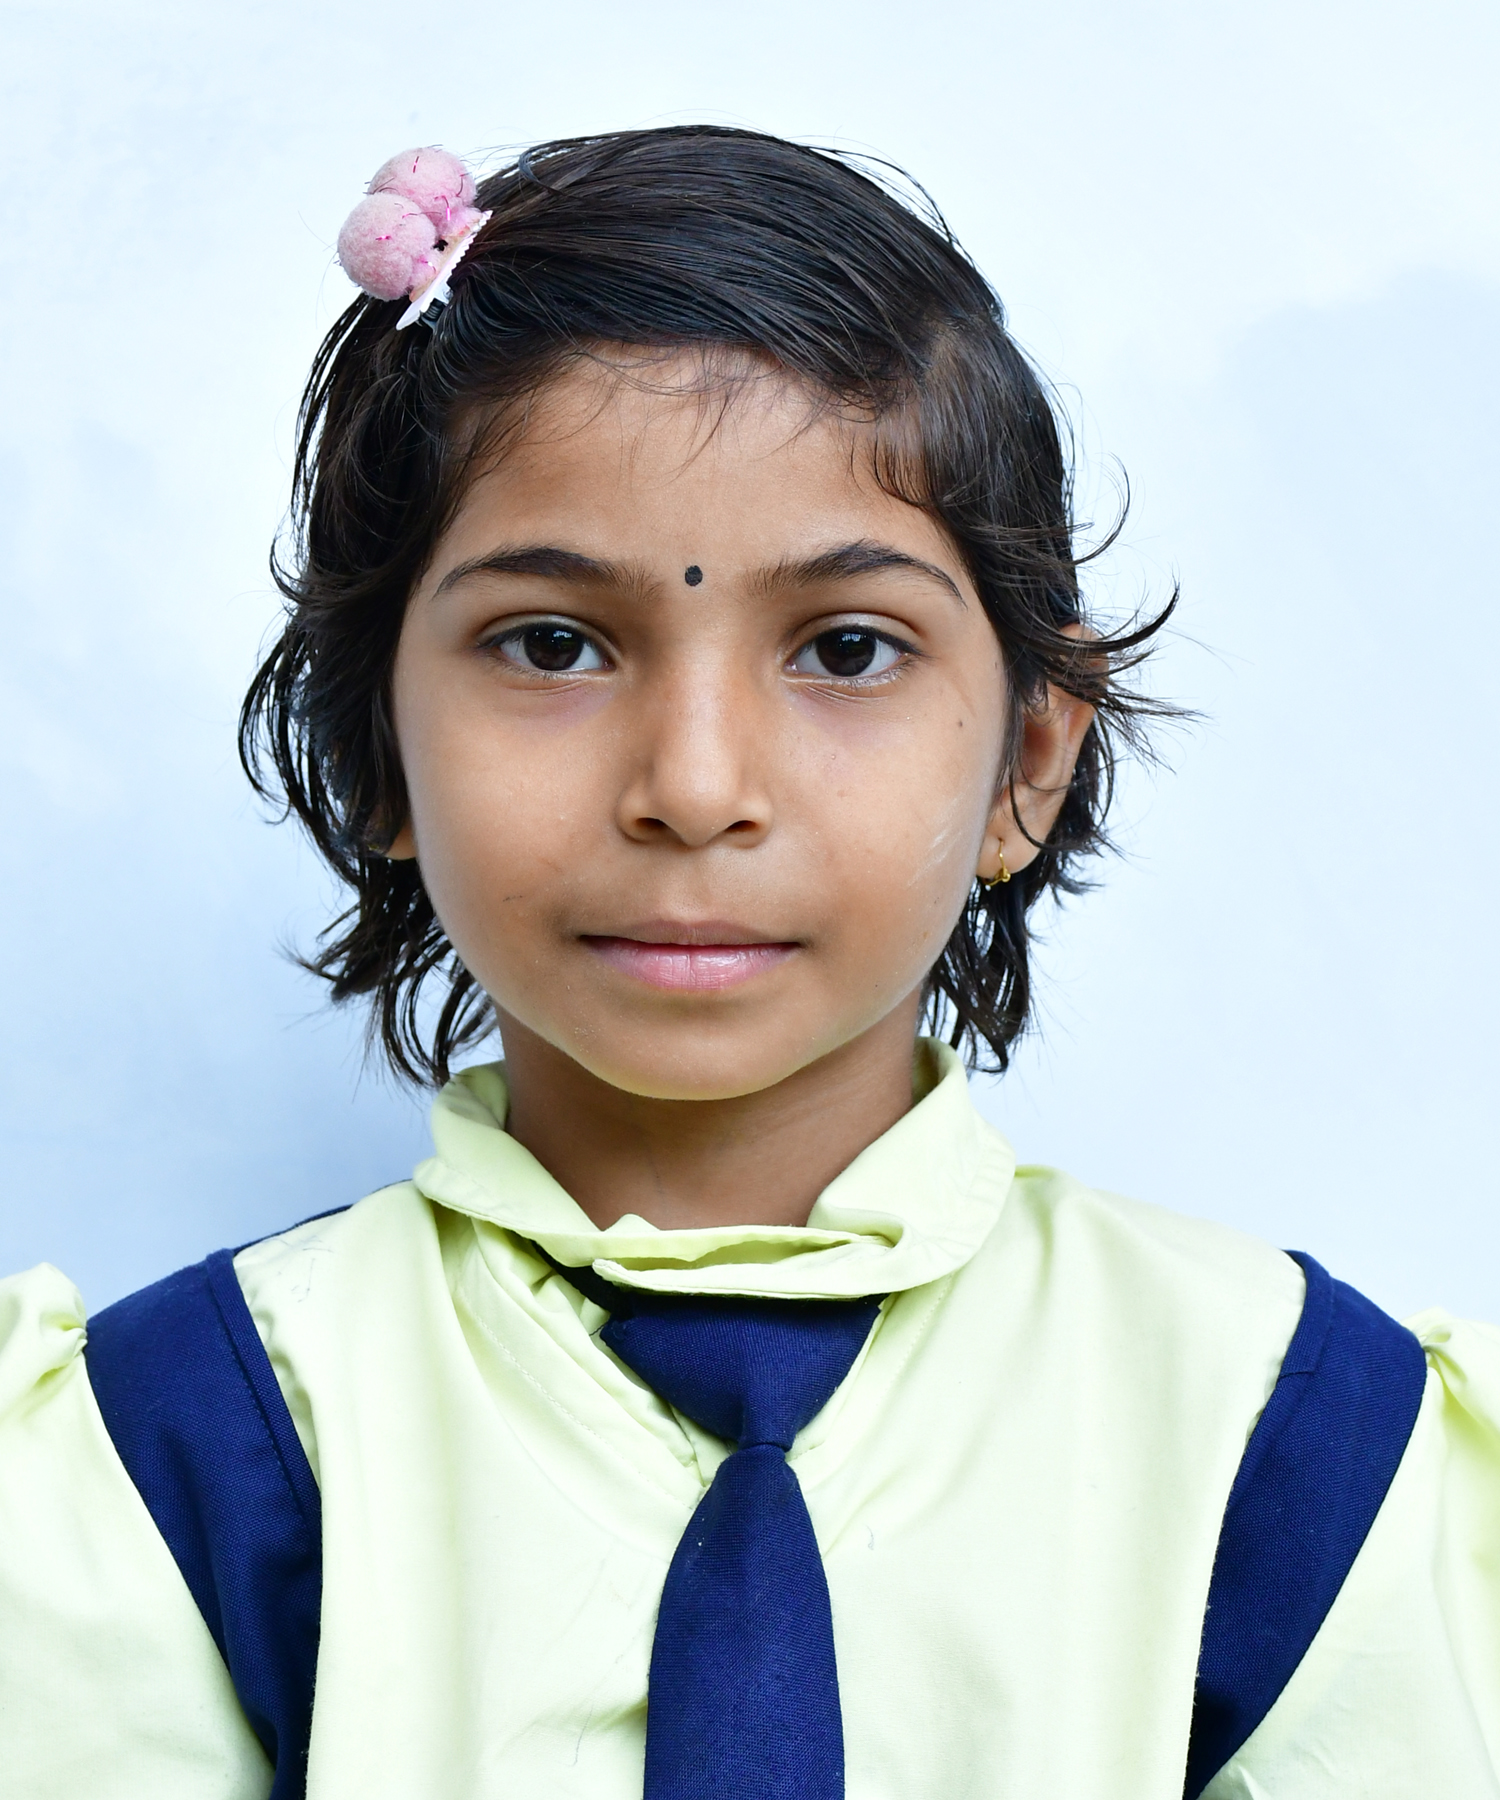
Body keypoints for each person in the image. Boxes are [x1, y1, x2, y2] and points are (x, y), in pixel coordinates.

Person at [1, 127, 1495, 1800]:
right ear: (373, 753)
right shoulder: (161, 1465)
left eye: (847, 649)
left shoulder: (1296, 1445)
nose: (697, 786)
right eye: (552, 643)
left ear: (1029, 762)